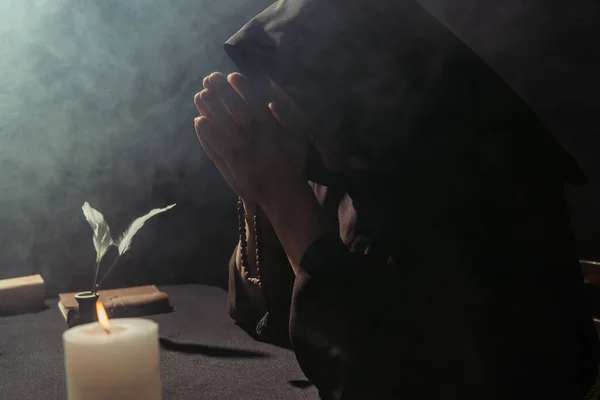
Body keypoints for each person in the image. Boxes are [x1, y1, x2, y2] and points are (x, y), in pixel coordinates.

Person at [193, 0, 599, 398]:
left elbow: (386, 376)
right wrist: (256, 197)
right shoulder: (344, 166)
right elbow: (271, 318)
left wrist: (285, 203)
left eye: (302, 95)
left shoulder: (482, 178)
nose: (280, 113)